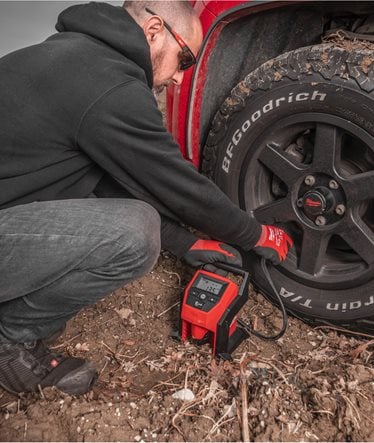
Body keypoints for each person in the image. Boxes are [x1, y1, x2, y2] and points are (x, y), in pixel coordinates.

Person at [0, 1, 293, 396]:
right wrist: (254, 233)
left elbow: (100, 184)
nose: (179, 78)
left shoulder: (74, 57)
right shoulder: (111, 86)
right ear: (154, 30)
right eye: (184, 59)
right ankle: (10, 336)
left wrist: (186, 243)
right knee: (136, 234)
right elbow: (175, 184)